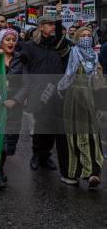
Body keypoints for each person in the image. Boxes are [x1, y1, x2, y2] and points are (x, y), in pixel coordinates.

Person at [20, 12, 71, 172]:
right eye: (49, 24)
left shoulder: (61, 45)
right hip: (38, 91)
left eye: (54, 25)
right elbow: (23, 68)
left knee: (53, 125)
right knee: (39, 125)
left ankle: (46, 155)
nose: (53, 27)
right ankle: (37, 155)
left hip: (57, 91)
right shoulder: (29, 46)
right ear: (41, 27)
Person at [56, 27, 104, 188]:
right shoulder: (71, 52)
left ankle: (93, 172)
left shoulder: (94, 56)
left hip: (90, 100)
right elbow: (59, 44)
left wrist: (99, 75)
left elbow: (98, 85)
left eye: (89, 35)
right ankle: (74, 173)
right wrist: (58, 17)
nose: (86, 38)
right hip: (74, 99)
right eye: (82, 35)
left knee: (92, 136)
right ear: (76, 38)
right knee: (74, 137)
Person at [0, 29, 26, 190]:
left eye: (13, 40)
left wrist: (15, 100)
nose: (11, 42)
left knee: (8, 142)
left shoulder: (21, 60)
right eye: (7, 40)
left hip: (13, 108)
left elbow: (26, 83)